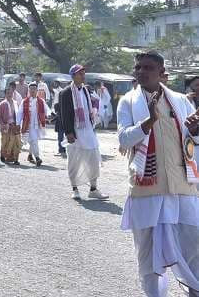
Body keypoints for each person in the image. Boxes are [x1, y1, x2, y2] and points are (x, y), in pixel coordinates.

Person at [118, 51, 199, 296]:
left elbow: (191, 143)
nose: (141, 71)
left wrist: (195, 132)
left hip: (182, 186)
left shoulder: (181, 101)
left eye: (148, 68)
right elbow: (123, 138)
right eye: (138, 67)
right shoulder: (128, 102)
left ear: (161, 72)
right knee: (148, 253)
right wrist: (148, 122)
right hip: (147, 188)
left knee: (194, 244)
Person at [58, 64, 107, 200]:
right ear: (73, 76)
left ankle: (93, 188)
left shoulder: (86, 90)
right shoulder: (66, 93)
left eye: (83, 73)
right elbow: (64, 114)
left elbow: (92, 105)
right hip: (75, 132)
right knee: (74, 161)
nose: (82, 76)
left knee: (93, 158)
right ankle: (75, 188)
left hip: (88, 129)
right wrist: (68, 132)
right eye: (80, 74)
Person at [20, 82, 47, 167]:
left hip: (37, 124)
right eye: (31, 89)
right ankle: (36, 157)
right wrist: (17, 123)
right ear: (29, 90)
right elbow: (20, 113)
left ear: (37, 90)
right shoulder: (24, 101)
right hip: (27, 124)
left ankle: (33, 156)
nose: (32, 91)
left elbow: (46, 110)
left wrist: (50, 115)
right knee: (31, 140)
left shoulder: (41, 101)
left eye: (34, 89)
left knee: (33, 140)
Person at [0, 86, 21, 165]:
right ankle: (4, 156)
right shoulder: (2, 104)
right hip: (6, 127)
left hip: (15, 127)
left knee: (16, 143)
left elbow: (19, 115)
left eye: (11, 93)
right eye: (8, 93)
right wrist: (3, 124)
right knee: (5, 143)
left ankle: (15, 158)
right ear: (5, 94)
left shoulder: (16, 103)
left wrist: (18, 124)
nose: (10, 94)